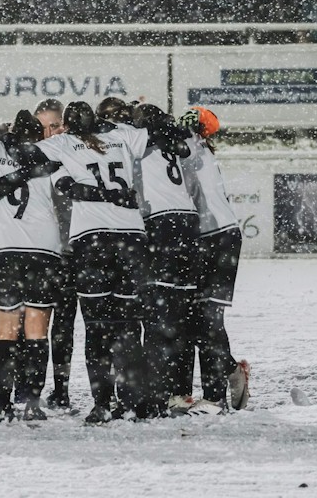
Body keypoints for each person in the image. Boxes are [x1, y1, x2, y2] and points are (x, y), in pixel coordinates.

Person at [14, 101, 191, 423]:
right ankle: (136, 402)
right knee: (127, 326)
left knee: (97, 328)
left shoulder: (63, 144)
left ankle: (102, 403)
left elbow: (27, 157)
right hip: (131, 237)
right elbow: (165, 133)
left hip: (93, 240)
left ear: (67, 125)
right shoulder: (122, 135)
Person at [0, 110, 62, 421]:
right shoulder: (50, 152)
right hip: (42, 248)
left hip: (3, 248)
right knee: (37, 329)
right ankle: (32, 403)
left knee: (5, 330)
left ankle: (3, 402)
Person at [177, 106, 250, 415]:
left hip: (214, 237)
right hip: (215, 237)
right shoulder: (200, 147)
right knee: (201, 318)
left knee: (206, 319)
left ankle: (216, 394)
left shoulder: (188, 147)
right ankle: (229, 372)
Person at [129, 101, 200, 417]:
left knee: (158, 315)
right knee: (182, 312)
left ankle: (155, 394)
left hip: (161, 222)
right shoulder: (177, 143)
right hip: (188, 221)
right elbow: (190, 167)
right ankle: (180, 391)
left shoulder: (139, 141)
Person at [34, 99, 76, 409]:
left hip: (70, 251)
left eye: (53, 126)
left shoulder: (71, 155)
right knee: (34, 324)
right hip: (41, 253)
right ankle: (27, 390)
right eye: (42, 128)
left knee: (64, 325)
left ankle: (61, 389)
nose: (48, 133)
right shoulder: (30, 160)